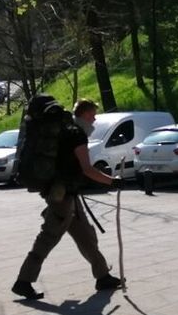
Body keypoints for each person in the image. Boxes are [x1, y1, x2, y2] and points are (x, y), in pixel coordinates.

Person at [11, 99, 123, 300]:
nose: (94, 119)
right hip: (61, 195)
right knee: (48, 237)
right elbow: (87, 169)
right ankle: (23, 281)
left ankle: (103, 275)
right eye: (92, 115)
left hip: (64, 191)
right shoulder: (76, 134)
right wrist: (112, 181)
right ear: (84, 115)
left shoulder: (67, 129)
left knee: (86, 236)